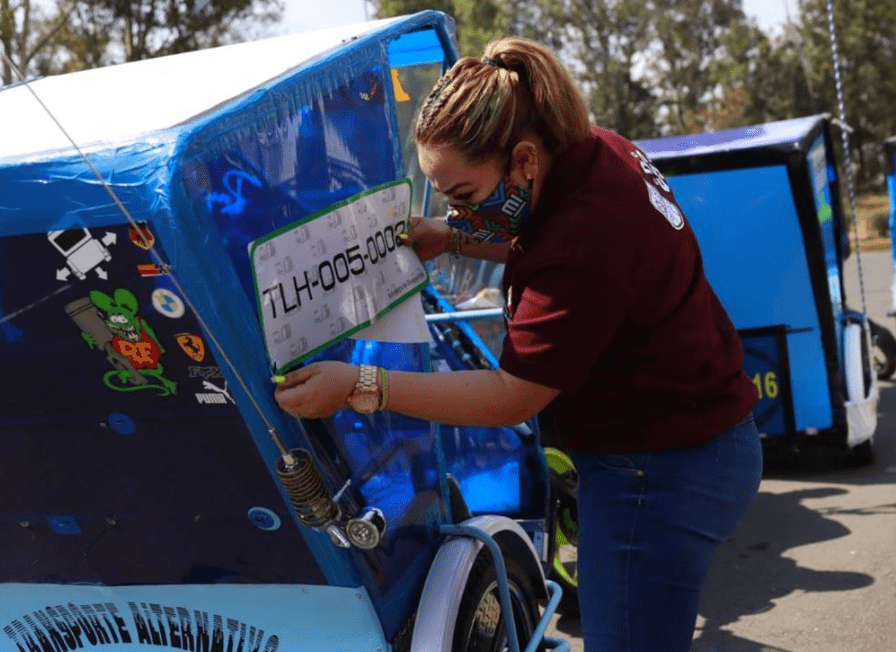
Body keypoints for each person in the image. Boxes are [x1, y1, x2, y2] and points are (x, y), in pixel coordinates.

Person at [275, 36, 763, 652]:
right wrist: (452, 234)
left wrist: (360, 387)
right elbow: (533, 236)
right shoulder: (589, 153)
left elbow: (513, 396)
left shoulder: (586, 237)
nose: (458, 211)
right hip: (697, 443)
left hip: (660, 469)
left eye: (464, 197)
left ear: (524, 159)